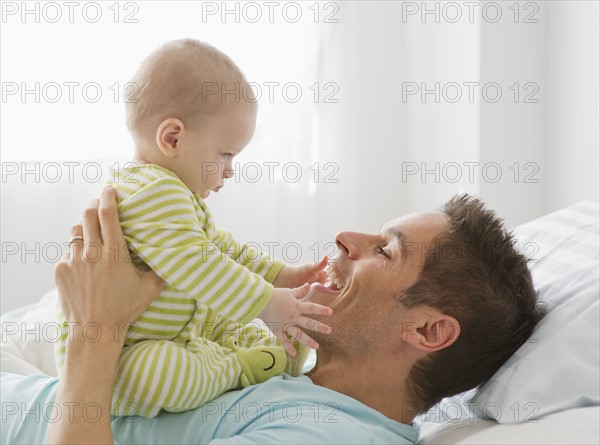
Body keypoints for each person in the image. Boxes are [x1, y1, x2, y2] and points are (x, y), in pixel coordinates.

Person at [40, 188, 545, 444]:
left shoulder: (328, 436)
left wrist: (93, 329)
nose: (346, 238)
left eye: (385, 251)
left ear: (429, 330)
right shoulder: (285, 366)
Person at [54, 39, 333, 418]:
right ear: (173, 138)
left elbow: (220, 248)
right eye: (226, 154)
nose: (231, 170)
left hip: (163, 331)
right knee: (163, 374)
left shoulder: (166, 191)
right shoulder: (154, 191)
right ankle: (239, 366)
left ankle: (259, 350)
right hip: (124, 357)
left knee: (219, 317)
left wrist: (281, 275)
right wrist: (268, 304)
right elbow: (198, 265)